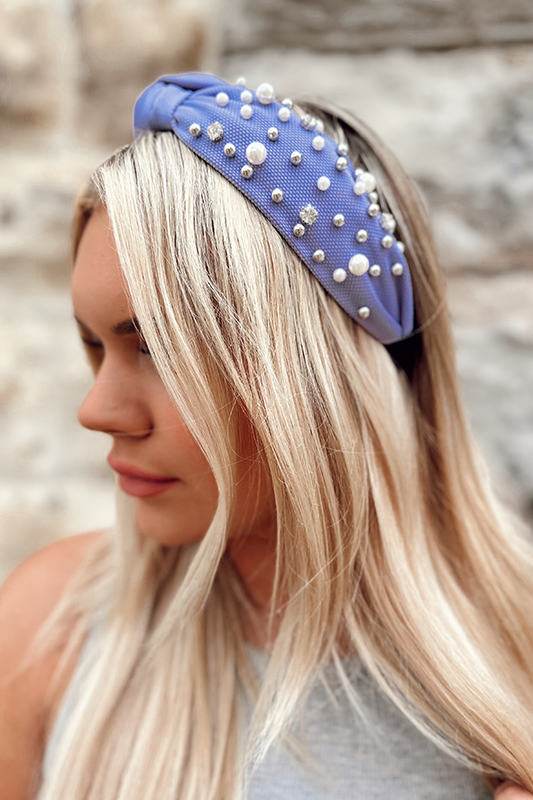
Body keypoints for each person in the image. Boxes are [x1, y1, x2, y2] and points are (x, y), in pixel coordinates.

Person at [0, 72, 532, 800]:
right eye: (94, 344)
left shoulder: (513, 664)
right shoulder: (47, 625)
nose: (97, 410)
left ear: (319, 374)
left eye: (157, 349)